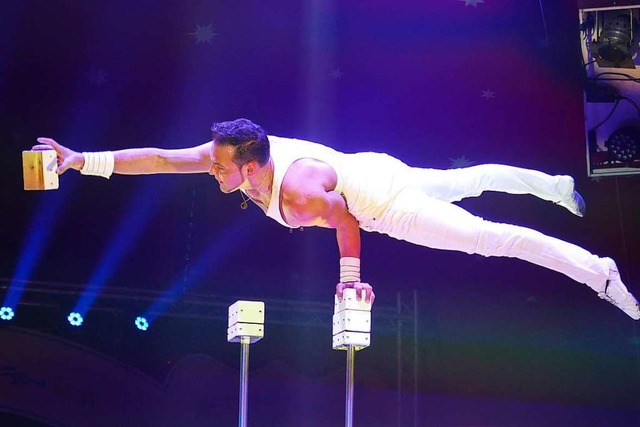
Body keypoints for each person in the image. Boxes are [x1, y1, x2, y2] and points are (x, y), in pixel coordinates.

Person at [33, 118, 640, 320]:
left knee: (489, 239)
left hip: (385, 205)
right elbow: (166, 159)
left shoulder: (295, 194)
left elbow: (347, 223)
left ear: (250, 165)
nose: (211, 173)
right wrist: (82, 160)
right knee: (472, 179)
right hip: (373, 168)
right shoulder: (241, 153)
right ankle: (554, 186)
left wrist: (349, 278)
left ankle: (598, 272)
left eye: (220, 169)